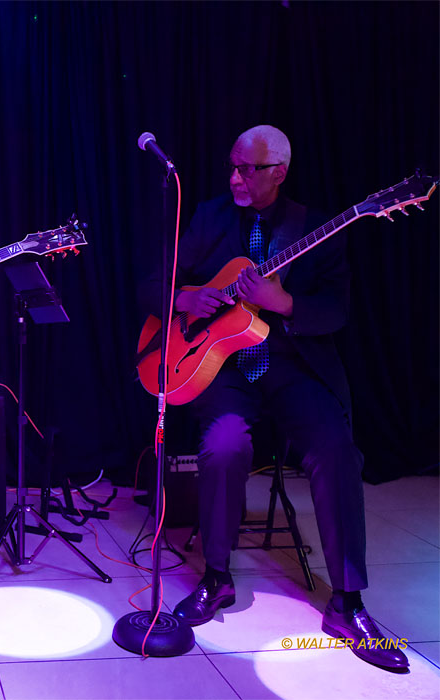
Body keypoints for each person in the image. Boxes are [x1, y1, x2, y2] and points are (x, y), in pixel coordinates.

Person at [138, 126, 406, 671]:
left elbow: (336, 311)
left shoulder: (316, 229)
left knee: (336, 451)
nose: (235, 178)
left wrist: (283, 303)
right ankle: (216, 579)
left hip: (292, 366)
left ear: (279, 172)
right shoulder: (211, 216)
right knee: (223, 446)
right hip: (228, 368)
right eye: (232, 167)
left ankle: (348, 601)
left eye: (248, 170)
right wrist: (187, 297)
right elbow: (152, 285)